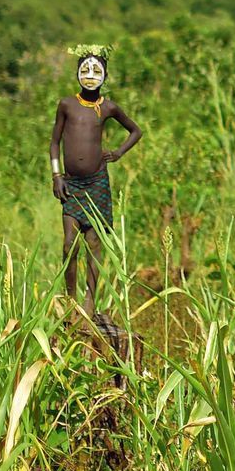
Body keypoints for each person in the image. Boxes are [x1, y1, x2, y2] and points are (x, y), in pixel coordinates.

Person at [50, 47, 144, 322]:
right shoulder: (67, 105)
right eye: (85, 70)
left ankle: (90, 302)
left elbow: (136, 130)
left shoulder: (108, 107)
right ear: (77, 73)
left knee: (94, 244)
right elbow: (55, 142)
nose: (90, 76)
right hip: (72, 184)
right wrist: (56, 176)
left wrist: (118, 153)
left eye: (96, 71)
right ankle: (69, 302)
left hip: (97, 183)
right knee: (69, 244)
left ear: (105, 75)